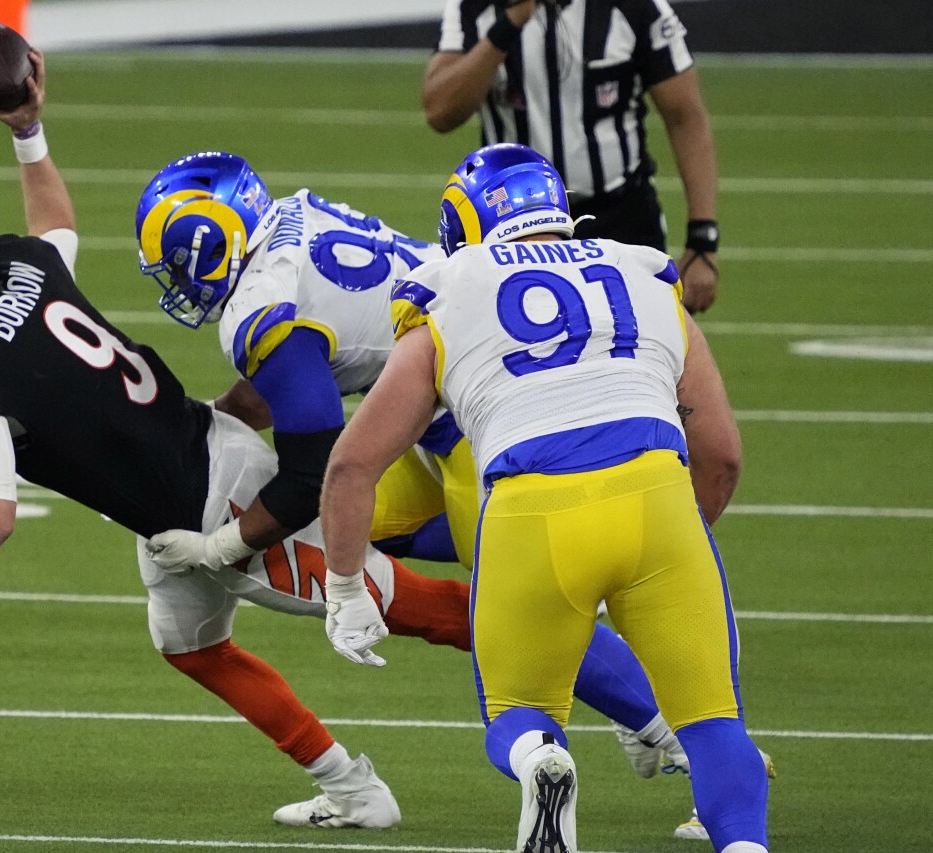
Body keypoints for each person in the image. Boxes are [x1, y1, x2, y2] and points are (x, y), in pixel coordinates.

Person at [0, 49, 474, 830]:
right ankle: (356, 789)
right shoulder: (25, 265)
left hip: (216, 504)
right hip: (182, 478)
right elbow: (56, 221)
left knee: (426, 610)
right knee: (192, 648)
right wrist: (27, 131)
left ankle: (574, 639)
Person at [318, 142, 768, 853]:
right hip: (658, 497)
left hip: (532, 510)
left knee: (518, 713)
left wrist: (346, 588)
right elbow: (723, 454)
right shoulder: (643, 271)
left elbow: (352, 465)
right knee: (713, 723)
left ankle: (539, 761)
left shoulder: (447, 285)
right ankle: (745, 845)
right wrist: (673, 541)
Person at [424, 0, 721, 314]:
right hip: (513, 225)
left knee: (643, 337)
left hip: (619, 217)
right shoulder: (475, 7)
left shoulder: (637, 7)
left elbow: (685, 116)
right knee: (516, 339)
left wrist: (702, 239)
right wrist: (508, 25)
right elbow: (440, 111)